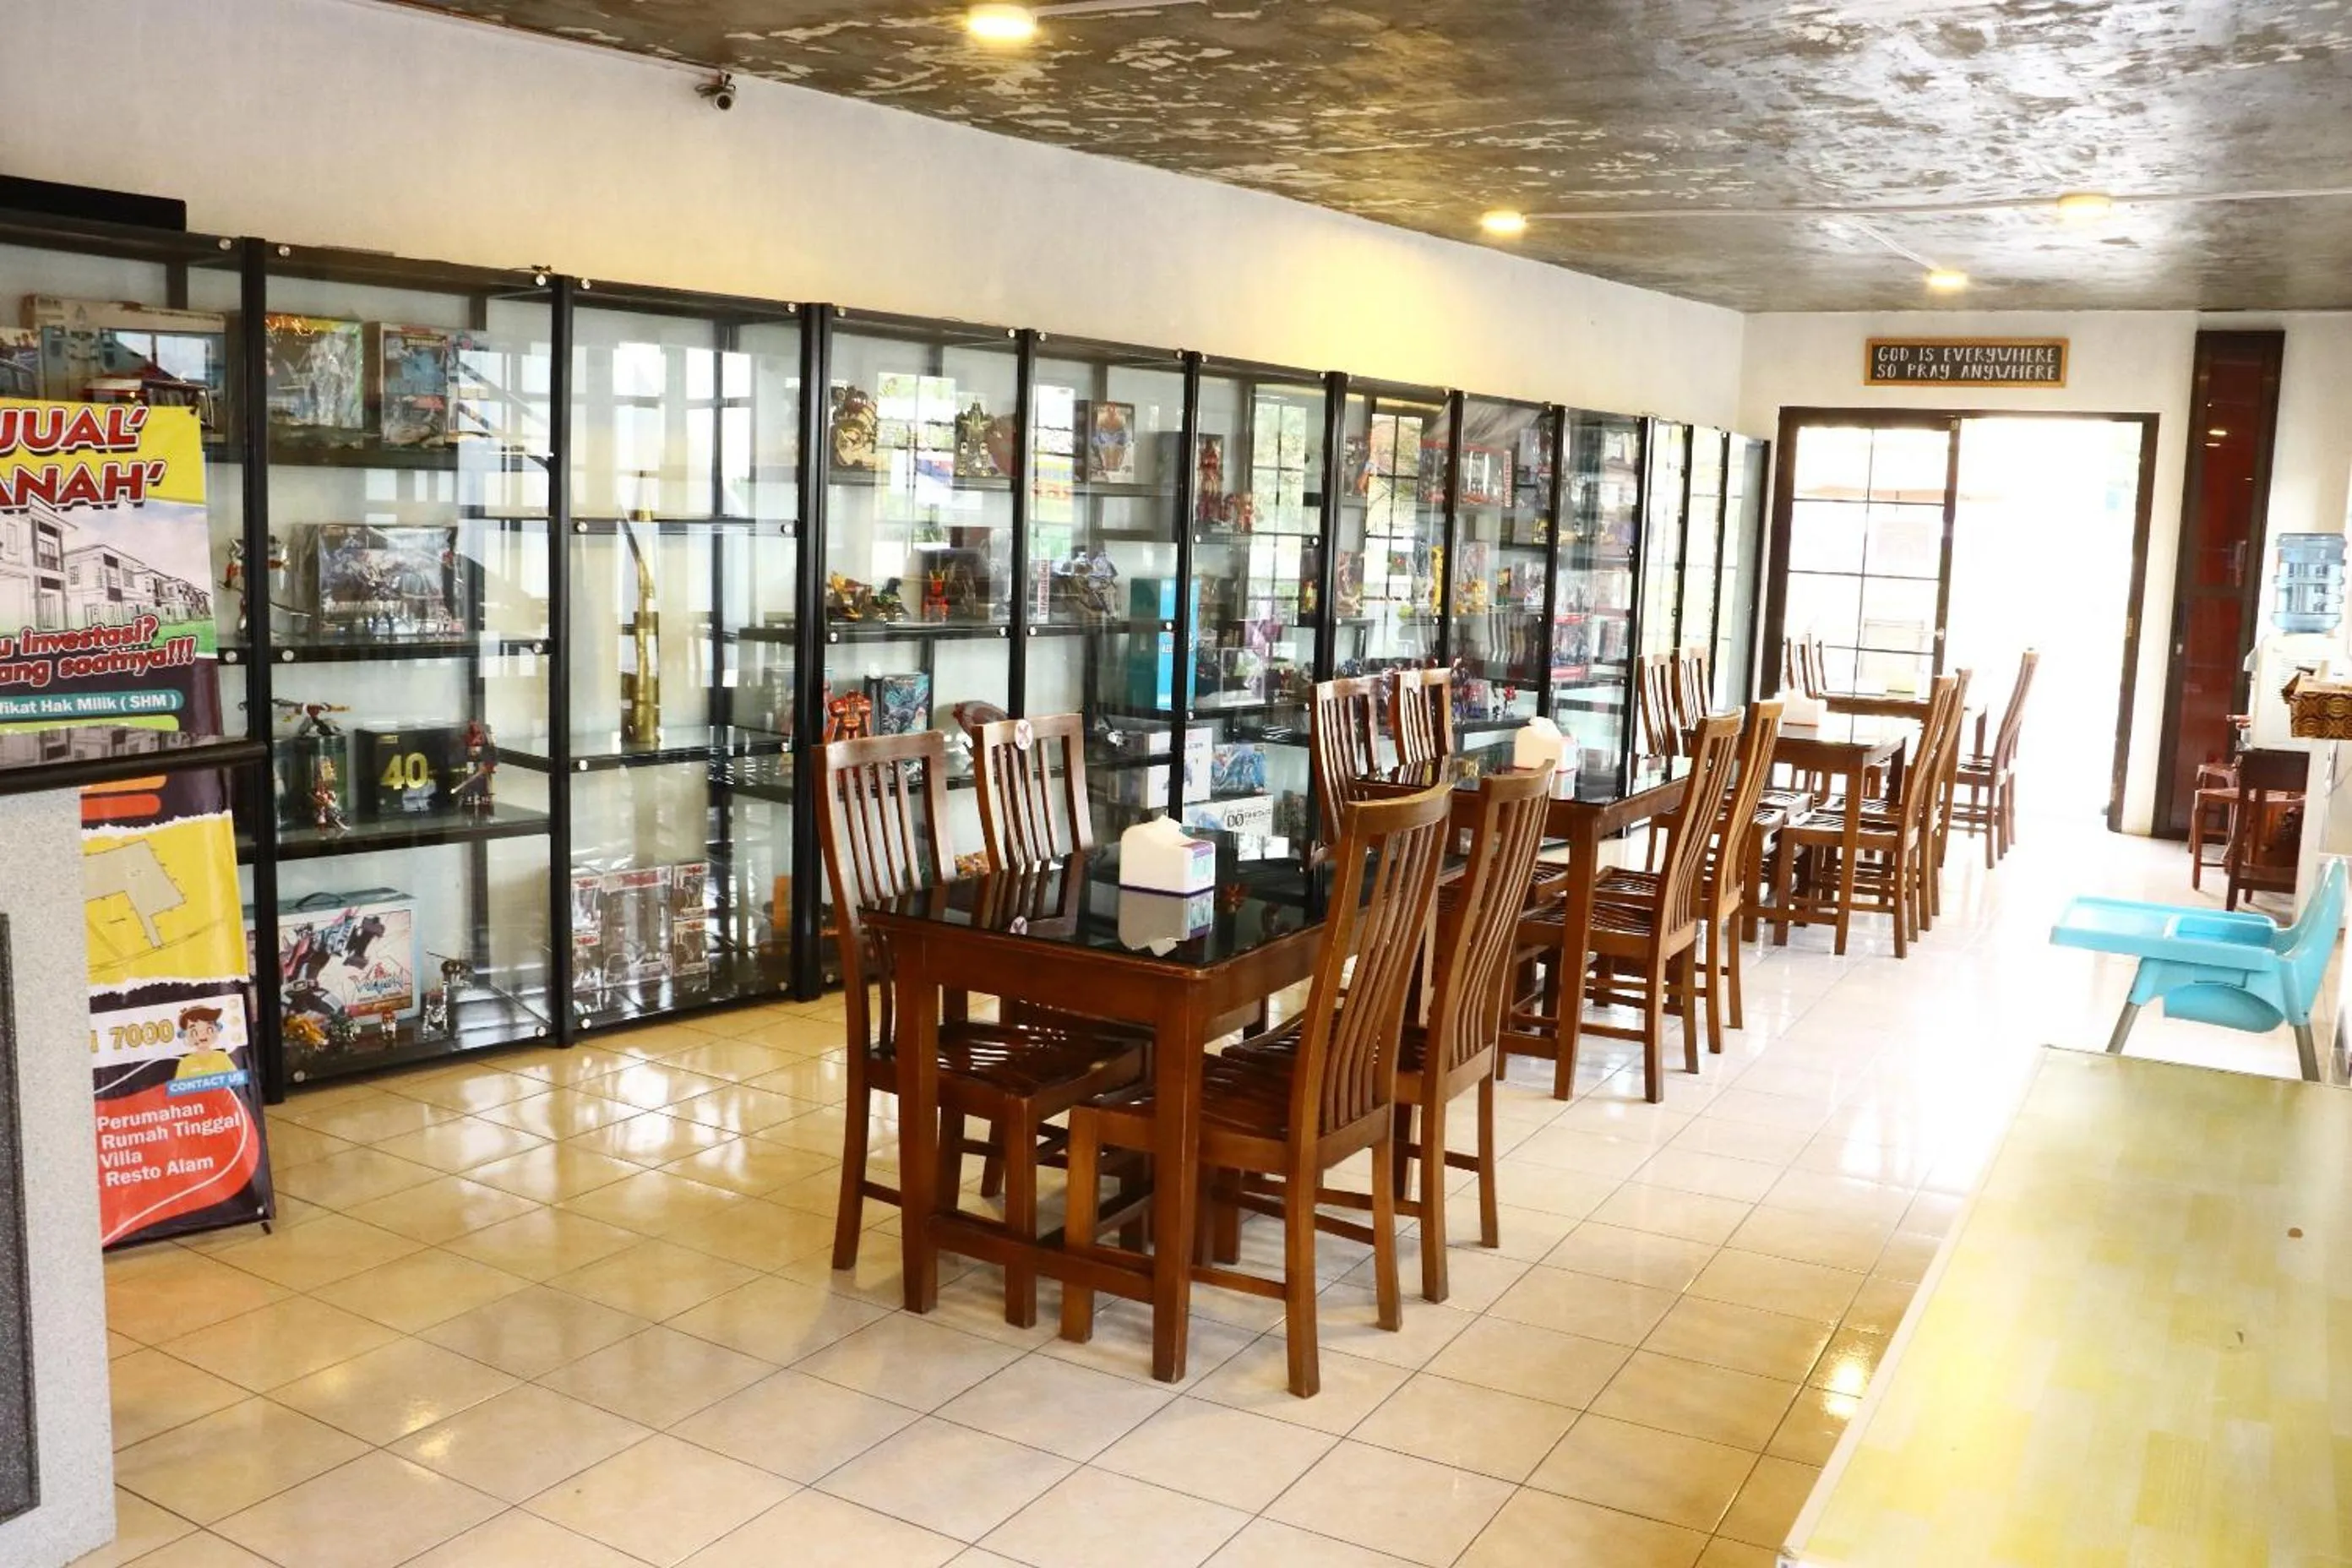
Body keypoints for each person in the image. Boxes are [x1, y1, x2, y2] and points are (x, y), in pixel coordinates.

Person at [171, 1004, 237, 1080]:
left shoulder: (222, 1057)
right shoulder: (186, 1063)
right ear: (185, 1035)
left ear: (217, 1029)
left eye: (208, 1029)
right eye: (194, 1032)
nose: (202, 1035)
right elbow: (179, 1087)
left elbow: (236, 1080)